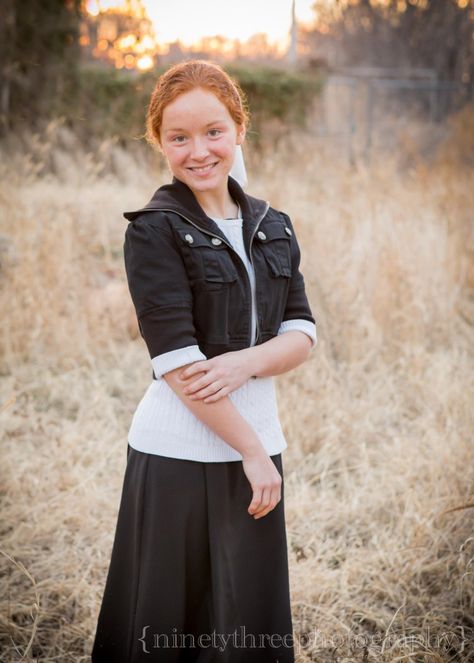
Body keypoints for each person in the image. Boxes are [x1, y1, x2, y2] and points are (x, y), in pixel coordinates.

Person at [91, 59, 317, 663]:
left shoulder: (274, 226)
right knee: (164, 628)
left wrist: (244, 366)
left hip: (258, 447)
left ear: (240, 130)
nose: (198, 151)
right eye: (178, 137)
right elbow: (178, 362)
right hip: (177, 456)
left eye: (213, 131)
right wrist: (250, 452)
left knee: (247, 632)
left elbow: (303, 333)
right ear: (159, 142)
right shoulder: (155, 230)